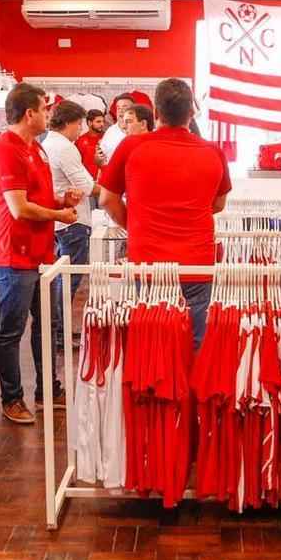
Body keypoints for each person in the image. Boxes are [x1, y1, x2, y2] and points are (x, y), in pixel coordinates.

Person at [99, 78, 230, 349]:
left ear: (156, 112)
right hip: (197, 264)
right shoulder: (214, 152)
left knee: (152, 346)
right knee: (195, 345)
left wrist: (134, 224)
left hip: (149, 263)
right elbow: (218, 205)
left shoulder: (132, 147)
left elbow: (106, 199)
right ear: (191, 113)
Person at [0, 83, 79, 425]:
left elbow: (36, 196)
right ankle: (12, 397)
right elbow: (18, 207)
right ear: (30, 113)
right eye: (44, 109)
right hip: (14, 253)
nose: (48, 114)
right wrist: (58, 215)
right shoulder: (7, 150)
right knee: (12, 330)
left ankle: (47, 390)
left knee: (48, 323)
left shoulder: (34, 149)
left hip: (40, 252)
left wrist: (60, 201)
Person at [41, 100, 96, 354]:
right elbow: (85, 185)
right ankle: (60, 334)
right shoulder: (64, 147)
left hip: (60, 219)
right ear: (69, 123)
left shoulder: (47, 144)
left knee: (63, 278)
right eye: (79, 124)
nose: (81, 130)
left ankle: (59, 330)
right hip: (72, 219)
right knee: (68, 279)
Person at [75, 108, 108, 184]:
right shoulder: (80, 140)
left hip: (104, 181)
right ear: (89, 123)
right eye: (98, 122)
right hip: (87, 183)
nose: (102, 124)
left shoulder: (107, 138)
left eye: (103, 121)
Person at [99, 97, 132, 161]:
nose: (120, 110)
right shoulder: (110, 131)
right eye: (118, 108)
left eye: (124, 107)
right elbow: (100, 158)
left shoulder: (140, 131)